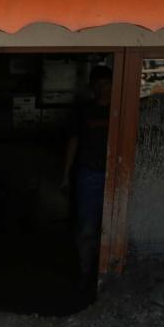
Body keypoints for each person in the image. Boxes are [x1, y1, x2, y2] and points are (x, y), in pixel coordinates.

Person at [62, 64, 112, 282]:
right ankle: (85, 273)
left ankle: (105, 274)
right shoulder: (85, 111)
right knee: (87, 226)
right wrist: (66, 173)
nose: (103, 89)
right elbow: (73, 141)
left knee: (111, 227)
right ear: (93, 87)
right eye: (99, 84)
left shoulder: (121, 110)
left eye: (107, 84)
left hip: (115, 176)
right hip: (89, 174)